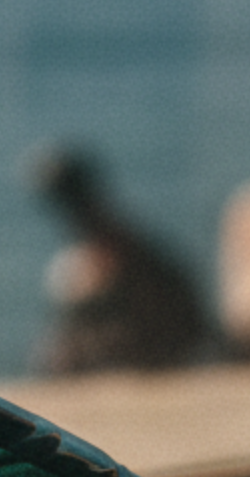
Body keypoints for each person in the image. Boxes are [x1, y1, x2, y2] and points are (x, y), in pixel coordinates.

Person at [29, 146, 214, 373]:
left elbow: (162, 313)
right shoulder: (116, 236)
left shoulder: (113, 243)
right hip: (171, 341)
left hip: (161, 349)